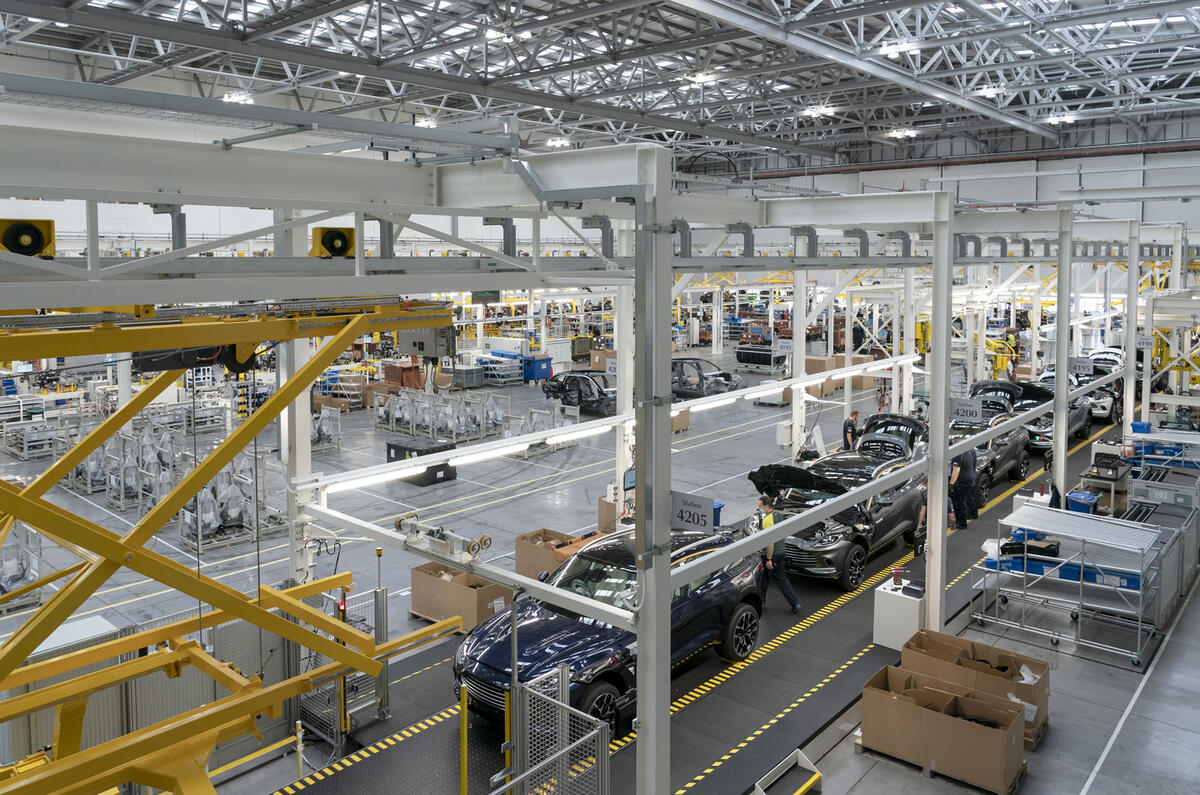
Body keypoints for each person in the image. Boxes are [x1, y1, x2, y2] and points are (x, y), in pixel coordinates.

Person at [757, 495, 801, 614]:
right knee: (782, 579)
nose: (758, 508)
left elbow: (770, 542)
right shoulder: (779, 515)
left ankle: (761, 603)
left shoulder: (767, 520)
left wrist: (769, 559)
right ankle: (795, 603)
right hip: (782, 551)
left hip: (771, 554)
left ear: (766, 506)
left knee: (764, 580)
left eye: (760, 506)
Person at [949, 449, 976, 530]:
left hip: (961, 482)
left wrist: (951, 484)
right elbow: (974, 464)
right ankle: (973, 514)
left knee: (960, 503)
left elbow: (956, 471)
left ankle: (962, 524)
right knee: (969, 497)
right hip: (971, 478)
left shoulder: (957, 453)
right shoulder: (971, 450)